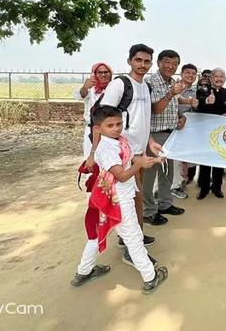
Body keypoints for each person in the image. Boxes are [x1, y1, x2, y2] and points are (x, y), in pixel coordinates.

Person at [70, 106, 168, 294]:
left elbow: (130, 159)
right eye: (110, 125)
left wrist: (152, 161)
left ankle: (84, 271)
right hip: (117, 198)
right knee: (133, 236)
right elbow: (121, 176)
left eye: (119, 124)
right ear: (98, 129)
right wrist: (139, 165)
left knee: (98, 233)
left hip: (110, 196)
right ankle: (150, 276)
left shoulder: (119, 140)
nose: (116, 128)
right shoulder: (106, 148)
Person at [96, 44, 162, 253]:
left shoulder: (146, 87)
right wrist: (94, 153)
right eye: (138, 60)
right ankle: (132, 244)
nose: (143, 65)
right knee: (130, 199)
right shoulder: (120, 84)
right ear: (130, 61)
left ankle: (134, 238)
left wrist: (150, 141)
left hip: (139, 152)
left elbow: (144, 119)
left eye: (146, 61)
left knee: (136, 198)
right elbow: (103, 117)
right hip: (124, 154)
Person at [143, 49, 187, 225]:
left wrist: (180, 117)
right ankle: (148, 211)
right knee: (149, 175)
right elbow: (155, 109)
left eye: (175, 63)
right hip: (154, 136)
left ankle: (165, 204)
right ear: (159, 63)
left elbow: (171, 108)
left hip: (171, 134)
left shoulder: (172, 82)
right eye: (167, 62)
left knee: (166, 173)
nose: (171, 66)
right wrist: (171, 94)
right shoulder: (150, 82)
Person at [196, 67, 226, 199]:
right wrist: (206, 101)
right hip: (205, 131)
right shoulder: (203, 90)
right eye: (216, 76)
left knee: (219, 159)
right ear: (211, 78)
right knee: (205, 160)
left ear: (225, 79)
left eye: (221, 76)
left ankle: (217, 188)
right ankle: (204, 188)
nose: (219, 79)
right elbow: (198, 106)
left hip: (222, 132)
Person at [171, 63, 199, 199]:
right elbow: (170, 106)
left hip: (188, 129)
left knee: (185, 159)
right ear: (181, 74)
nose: (190, 76)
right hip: (173, 127)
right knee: (173, 158)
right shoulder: (174, 88)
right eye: (187, 72)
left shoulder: (196, 92)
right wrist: (179, 117)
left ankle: (181, 182)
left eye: (193, 74)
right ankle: (174, 186)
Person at [76, 62, 113, 158]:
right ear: (94, 74)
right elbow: (80, 95)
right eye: (100, 72)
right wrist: (85, 87)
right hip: (92, 130)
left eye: (106, 72)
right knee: (91, 160)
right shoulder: (91, 89)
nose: (103, 75)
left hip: (110, 130)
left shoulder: (114, 88)